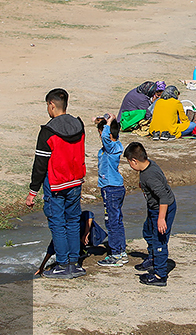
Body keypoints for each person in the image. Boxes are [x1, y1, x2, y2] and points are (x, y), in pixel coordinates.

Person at [27, 88, 87, 279]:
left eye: (47, 106)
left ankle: (62, 264)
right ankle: (74, 263)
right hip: (75, 181)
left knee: (57, 223)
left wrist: (32, 192)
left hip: (55, 184)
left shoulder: (48, 131)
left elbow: (40, 164)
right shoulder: (79, 125)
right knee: (73, 221)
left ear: (51, 105)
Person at [125, 141, 176, 286]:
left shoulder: (150, 176)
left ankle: (160, 275)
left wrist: (161, 218)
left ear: (134, 161)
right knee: (148, 232)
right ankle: (153, 259)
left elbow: (164, 197)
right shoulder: (148, 166)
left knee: (159, 239)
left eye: (129, 162)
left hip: (163, 208)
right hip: (154, 207)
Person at [94, 116, 128, 267]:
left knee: (112, 222)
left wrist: (107, 124)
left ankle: (115, 254)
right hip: (114, 188)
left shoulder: (112, 146)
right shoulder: (111, 147)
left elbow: (107, 137)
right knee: (117, 220)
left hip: (111, 189)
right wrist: (106, 119)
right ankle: (121, 251)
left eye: (100, 132)